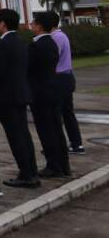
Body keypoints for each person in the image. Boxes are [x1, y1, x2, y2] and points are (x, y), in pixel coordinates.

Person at [0, 8, 40, 188]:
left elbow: (0, 71)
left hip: (9, 96)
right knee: (23, 134)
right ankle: (31, 171)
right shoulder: (21, 40)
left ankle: (26, 174)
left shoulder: (5, 43)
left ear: (3, 23)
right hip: (21, 93)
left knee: (16, 136)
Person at [30, 12, 71, 178]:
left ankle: (53, 165)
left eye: (33, 23)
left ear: (40, 26)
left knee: (46, 130)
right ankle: (62, 164)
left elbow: (30, 69)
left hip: (41, 93)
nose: (31, 25)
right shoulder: (51, 42)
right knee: (56, 128)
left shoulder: (38, 45)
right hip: (52, 89)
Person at [49, 13, 84, 155]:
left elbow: (52, 57)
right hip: (67, 76)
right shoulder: (62, 35)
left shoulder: (55, 37)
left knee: (56, 114)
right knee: (68, 113)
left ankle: (59, 146)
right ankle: (76, 144)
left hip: (59, 78)